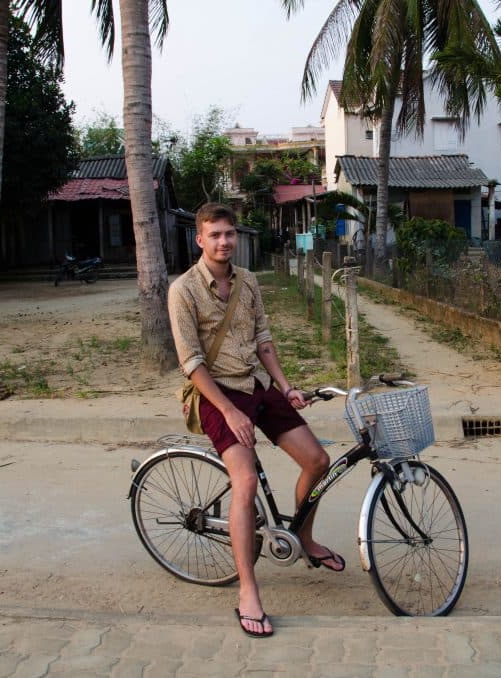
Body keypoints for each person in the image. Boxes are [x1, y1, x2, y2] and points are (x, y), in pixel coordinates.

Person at [167, 203, 344, 639]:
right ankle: (248, 589)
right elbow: (190, 362)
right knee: (244, 484)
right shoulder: (183, 290)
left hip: (258, 384)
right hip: (217, 393)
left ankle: (304, 536)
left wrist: (286, 387)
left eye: (229, 234)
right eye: (216, 235)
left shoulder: (247, 282)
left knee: (318, 460)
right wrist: (229, 411)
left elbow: (263, 338)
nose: (224, 241)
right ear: (200, 239)